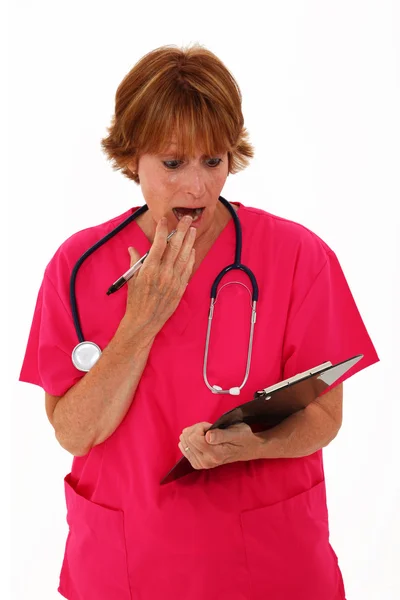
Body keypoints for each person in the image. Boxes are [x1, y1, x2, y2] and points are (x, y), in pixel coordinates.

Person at [19, 44, 379, 600]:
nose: (198, 187)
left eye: (214, 161)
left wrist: (253, 446)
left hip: (267, 561)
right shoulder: (78, 266)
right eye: (172, 162)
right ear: (131, 154)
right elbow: (74, 431)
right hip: (129, 560)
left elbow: (324, 417)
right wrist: (142, 319)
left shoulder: (298, 257)